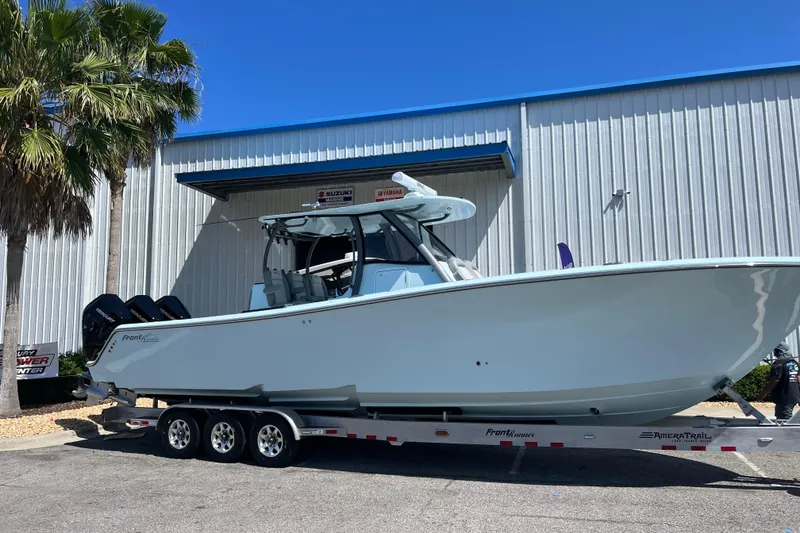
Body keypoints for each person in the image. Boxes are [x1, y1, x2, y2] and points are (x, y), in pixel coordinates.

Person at [755, 342, 799, 420]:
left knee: (784, 419)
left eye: (775, 350)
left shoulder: (778, 363)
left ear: (779, 351)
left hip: (784, 397)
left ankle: (788, 432)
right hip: (794, 396)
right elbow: (798, 378)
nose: (774, 352)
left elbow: (774, 381)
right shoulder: (793, 362)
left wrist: (762, 394)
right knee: (786, 417)